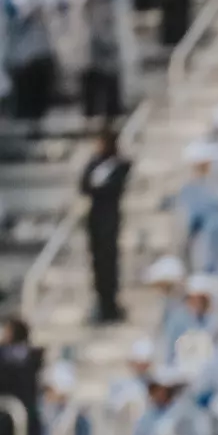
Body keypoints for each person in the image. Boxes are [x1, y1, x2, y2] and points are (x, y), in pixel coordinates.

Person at [82, 130, 132, 325]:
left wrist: (97, 188)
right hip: (95, 218)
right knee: (97, 262)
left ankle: (111, 305)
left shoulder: (121, 164)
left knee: (109, 262)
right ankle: (100, 303)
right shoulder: (94, 163)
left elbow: (114, 188)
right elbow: (84, 185)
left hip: (110, 218)